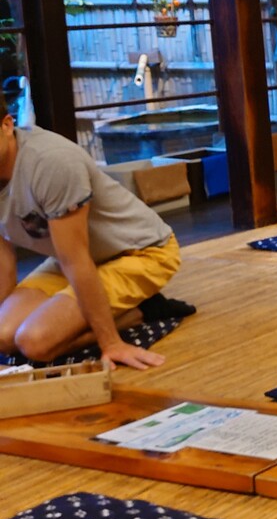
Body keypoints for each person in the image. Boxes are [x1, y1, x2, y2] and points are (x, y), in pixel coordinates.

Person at [0, 113, 185, 369]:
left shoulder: (52, 161)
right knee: (4, 336)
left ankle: (142, 311)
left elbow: (76, 260)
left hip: (141, 251)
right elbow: (3, 258)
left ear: (7, 125)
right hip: (74, 258)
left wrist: (110, 343)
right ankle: (110, 310)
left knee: (34, 343)